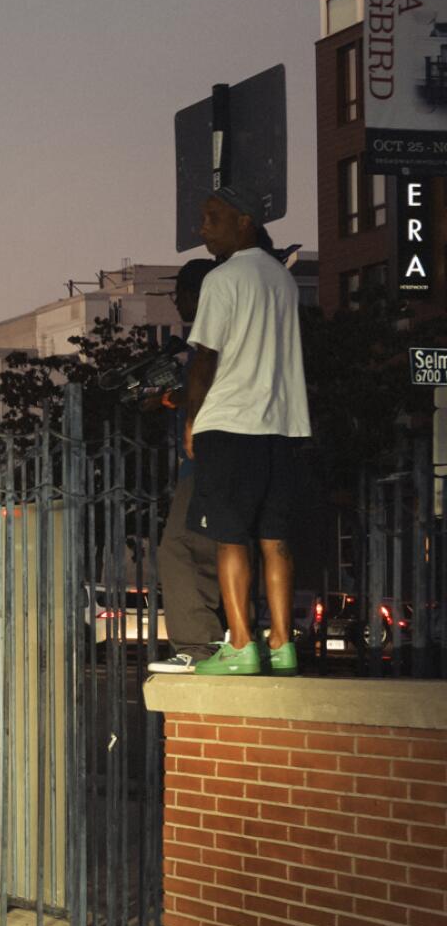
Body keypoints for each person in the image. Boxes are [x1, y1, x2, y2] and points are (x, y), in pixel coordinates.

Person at [182, 185, 312, 675]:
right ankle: (281, 643)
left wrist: (193, 418)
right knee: (275, 539)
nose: (203, 228)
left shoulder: (223, 279)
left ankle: (240, 644)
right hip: (282, 424)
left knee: (230, 538)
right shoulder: (282, 279)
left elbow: (206, 357)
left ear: (244, 222)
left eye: (212, 218)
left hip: (231, 424)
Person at [147, 256, 226, 672]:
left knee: (178, 548)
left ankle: (198, 646)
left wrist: (190, 416)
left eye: (180, 293)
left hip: (207, 459)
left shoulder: (210, 339)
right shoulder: (216, 340)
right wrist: (171, 399)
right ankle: (221, 641)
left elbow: (208, 383)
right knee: (214, 549)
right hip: (220, 456)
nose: (177, 303)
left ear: (198, 294)